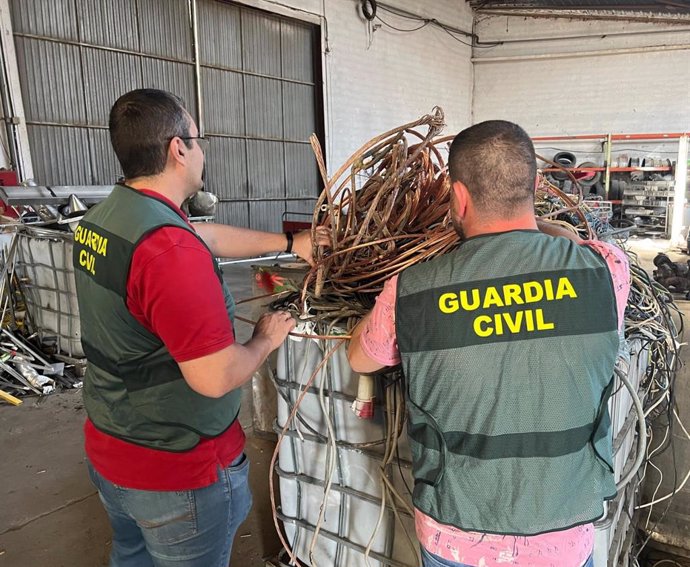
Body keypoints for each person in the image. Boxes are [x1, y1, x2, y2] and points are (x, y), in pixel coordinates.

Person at [348, 120, 630, 567]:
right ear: (535, 186)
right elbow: (577, 243)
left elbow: (360, 356)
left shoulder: (411, 290)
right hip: (560, 535)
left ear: (458, 196)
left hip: (455, 536)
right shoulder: (604, 272)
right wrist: (550, 233)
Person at [72, 88, 327, 567]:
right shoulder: (169, 252)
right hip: (176, 470)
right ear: (177, 149)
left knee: (131, 558)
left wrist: (292, 242)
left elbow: (201, 235)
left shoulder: (108, 217)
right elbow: (213, 377)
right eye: (198, 139)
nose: (202, 151)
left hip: (111, 445)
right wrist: (264, 339)